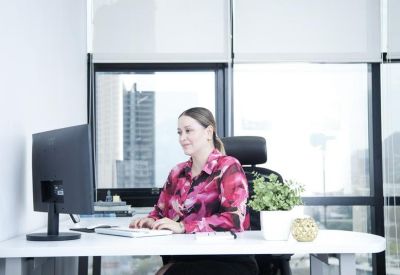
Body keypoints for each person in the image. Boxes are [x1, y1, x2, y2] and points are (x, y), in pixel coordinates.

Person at [129, 107, 258, 275]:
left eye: (188, 131)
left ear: (208, 132)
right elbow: (160, 213)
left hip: (225, 259)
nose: (182, 138)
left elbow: (234, 219)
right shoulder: (177, 173)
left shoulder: (228, 166)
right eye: (179, 132)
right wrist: (149, 221)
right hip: (184, 257)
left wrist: (183, 226)